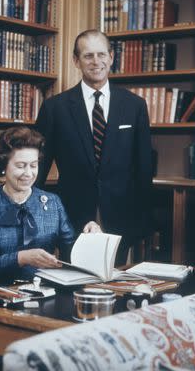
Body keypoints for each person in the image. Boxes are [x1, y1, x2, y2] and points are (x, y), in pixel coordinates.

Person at [35, 29, 153, 263]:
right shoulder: (54, 108)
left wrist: (140, 224)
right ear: (76, 61)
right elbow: (37, 167)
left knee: (116, 285)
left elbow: (144, 169)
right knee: (73, 282)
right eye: (88, 56)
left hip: (121, 217)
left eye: (101, 54)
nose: (96, 61)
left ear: (111, 57)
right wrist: (40, 220)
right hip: (71, 216)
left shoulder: (134, 106)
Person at [0, 126, 100, 286]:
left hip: (45, 291)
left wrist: (90, 238)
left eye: (33, 165)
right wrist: (22, 258)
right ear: (4, 165)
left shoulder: (52, 202)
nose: (29, 173)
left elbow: (71, 251)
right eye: (20, 165)